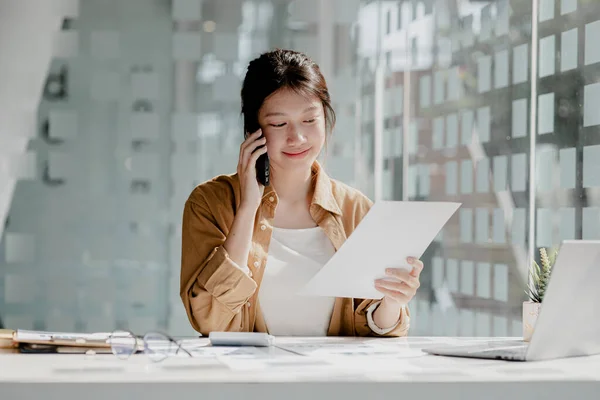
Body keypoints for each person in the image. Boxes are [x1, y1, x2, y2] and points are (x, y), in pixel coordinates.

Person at [180, 49, 423, 337]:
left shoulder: (355, 209)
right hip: (248, 379)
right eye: (279, 124)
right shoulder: (210, 203)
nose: (297, 137)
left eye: (310, 120)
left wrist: (393, 301)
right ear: (253, 131)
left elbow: (375, 331)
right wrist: (247, 208)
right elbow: (210, 321)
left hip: (331, 380)